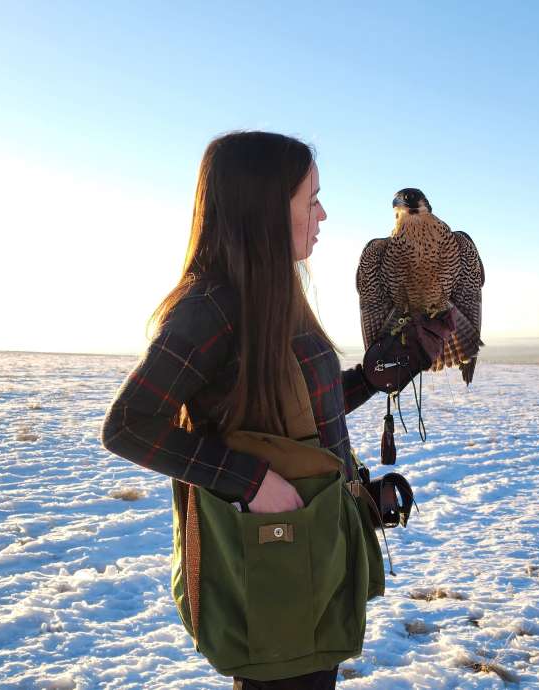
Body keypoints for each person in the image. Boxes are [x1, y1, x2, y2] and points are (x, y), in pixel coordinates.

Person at [99, 131, 426, 689]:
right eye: (310, 199)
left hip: (311, 545)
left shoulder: (277, 297)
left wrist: (375, 377)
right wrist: (250, 482)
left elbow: (294, 418)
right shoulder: (211, 307)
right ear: (265, 209)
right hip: (268, 563)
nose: (322, 214)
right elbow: (128, 426)